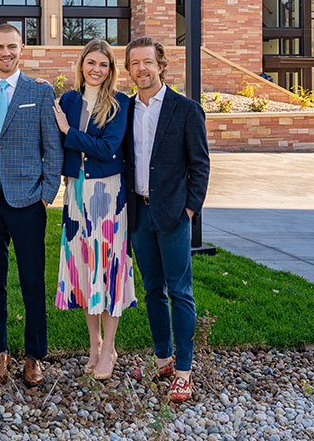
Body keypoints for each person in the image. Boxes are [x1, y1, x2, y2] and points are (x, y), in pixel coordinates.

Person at [0, 23, 62, 387]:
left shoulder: (39, 92)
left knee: (31, 280)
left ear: (22, 49)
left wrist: (47, 192)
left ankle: (34, 355)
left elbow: (51, 146)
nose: (5, 53)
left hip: (28, 199)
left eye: (12, 47)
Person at [122, 37, 210, 403]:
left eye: (148, 62)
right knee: (152, 290)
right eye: (135, 64)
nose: (142, 69)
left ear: (161, 65)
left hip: (174, 215)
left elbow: (200, 165)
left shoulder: (185, 109)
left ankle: (185, 371)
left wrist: (189, 209)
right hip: (139, 213)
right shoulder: (124, 110)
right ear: (128, 70)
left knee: (180, 291)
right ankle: (163, 358)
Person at [52, 39, 136, 382]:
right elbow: (55, 142)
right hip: (75, 193)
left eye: (103, 64)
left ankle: (111, 347)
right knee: (85, 267)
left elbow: (108, 148)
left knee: (110, 268)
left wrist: (69, 132)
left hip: (108, 194)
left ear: (111, 69)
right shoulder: (68, 101)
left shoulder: (118, 103)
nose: (96, 69)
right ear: (82, 65)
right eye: (91, 63)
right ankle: (95, 344)